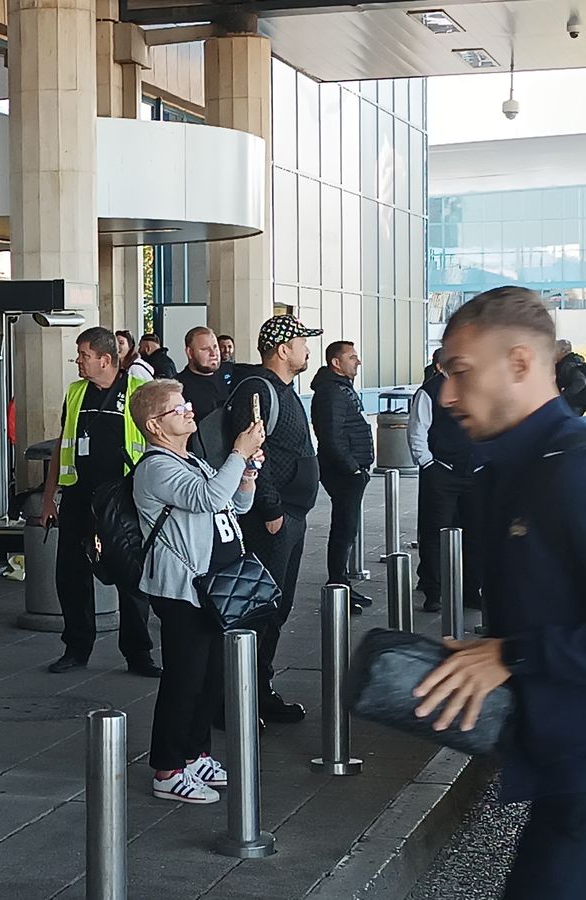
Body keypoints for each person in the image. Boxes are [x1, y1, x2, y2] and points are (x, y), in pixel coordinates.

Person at [411, 285, 586, 900]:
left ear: (520, 363)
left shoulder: (579, 470)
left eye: (460, 372)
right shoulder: (514, 468)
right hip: (566, 775)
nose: (446, 395)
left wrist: (510, 655)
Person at [131, 379, 265, 804]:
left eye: (186, 404)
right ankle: (168, 768)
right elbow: (208, 498)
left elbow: (235, 505)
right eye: (178, 408)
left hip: (212, 585)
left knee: (209, 678)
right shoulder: (156, 467)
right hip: (182, 589)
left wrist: (247, 473)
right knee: (184, 679)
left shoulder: (190, 459)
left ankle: (195, 754)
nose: (189, 411)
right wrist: (238, 453)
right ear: (155, 425)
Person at [42, 327, 159, 677]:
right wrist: (49, 498)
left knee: (131, 576)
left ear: (105, 360)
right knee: (71, 575)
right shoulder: (76, 392)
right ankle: (76, 648)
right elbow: (61, 444)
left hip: (124, 499)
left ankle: (138, 653)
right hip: (78, 496)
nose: (78, 361)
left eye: (84, 355)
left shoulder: (138, 391)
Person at [227, 315, 324, 724]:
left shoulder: (283, 390)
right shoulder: (258, 389)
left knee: (277, 607)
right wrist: (270, 510)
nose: (307, 349)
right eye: (302, 341)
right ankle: (238, 696)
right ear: (283, 349)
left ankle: (259, 688)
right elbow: (252, 452)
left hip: (290, 515)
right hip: (272, 518)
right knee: (259, 607)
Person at [407, 348, 481, 613]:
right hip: (442, 472)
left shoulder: (478, 386)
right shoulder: (430, 391)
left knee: (475, 532)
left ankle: (471, 590)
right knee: (434, 533)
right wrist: (428, 464)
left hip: (474, 472)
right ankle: (433, 590)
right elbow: (417, 429)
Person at [310, 341, 374, 611]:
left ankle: (342, 583)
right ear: (336, 363)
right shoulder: (332, 392)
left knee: (347, 529)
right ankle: (337, 585)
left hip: (349, 470)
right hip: (343, 472)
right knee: (343, 530)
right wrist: (353, 468)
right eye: (352, 357)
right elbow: (331, 437)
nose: (357, 361)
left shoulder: (341, 388)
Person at [176, 326, 231, 423]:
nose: (213, 353)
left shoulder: (233, 373)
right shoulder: (178, 389)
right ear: (190, 353)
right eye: (205, 349)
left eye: (215, 347)